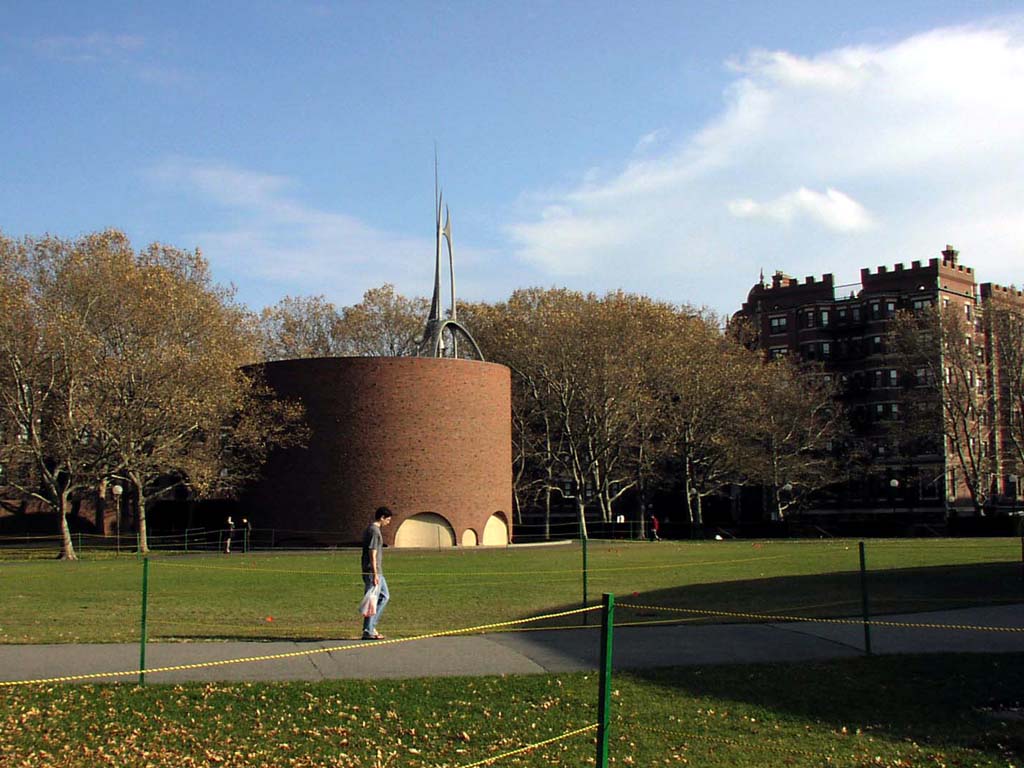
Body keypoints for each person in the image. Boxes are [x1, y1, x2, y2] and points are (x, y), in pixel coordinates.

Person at [360, 506, 394, 639]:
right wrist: (374, 574)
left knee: (384, 596)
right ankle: (369, 630)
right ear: (382, 518)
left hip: (377, 571)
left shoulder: (372, 529)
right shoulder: (374, 531)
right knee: (373, 600)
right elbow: (372, 553)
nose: (389, 522)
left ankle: (370, 627)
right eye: (388, 519)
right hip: (373, 572)